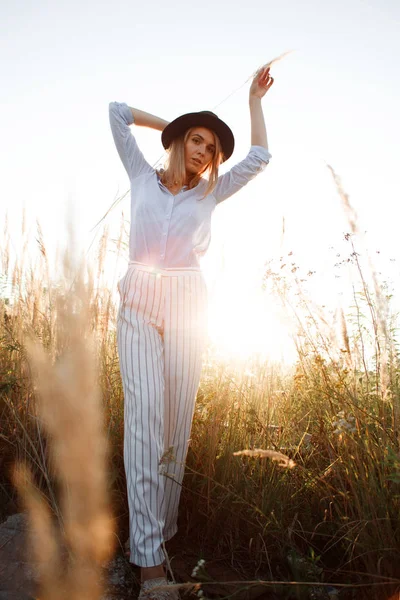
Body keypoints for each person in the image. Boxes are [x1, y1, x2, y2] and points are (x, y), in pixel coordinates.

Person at [109, 65, 274, 600]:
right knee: (144, 422)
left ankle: (161, 535)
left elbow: (260, 158)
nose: (203, 152)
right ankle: (150, 569)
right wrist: (171, 127)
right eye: (196, 140)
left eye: (210, 147)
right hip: (138, 299)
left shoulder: (211, 194)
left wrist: (254, 99)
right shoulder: (139, 175)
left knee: (174, 430)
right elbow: (116, 112)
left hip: (187, 303)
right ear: (180, 141)